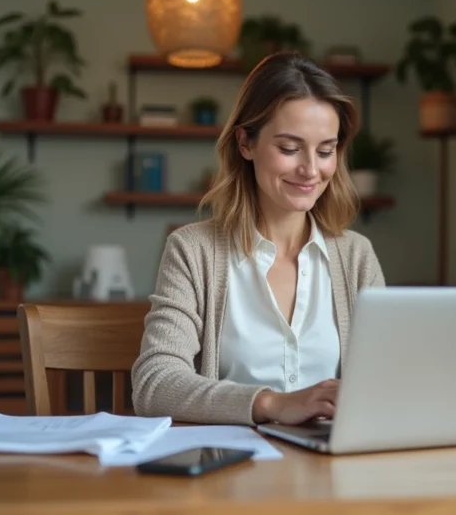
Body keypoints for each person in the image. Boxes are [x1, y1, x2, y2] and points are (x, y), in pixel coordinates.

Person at [131, 51, 386, 427]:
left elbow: (386, 381)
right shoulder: (192, 251)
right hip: (226, 472)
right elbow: (155, 384)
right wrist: (272, 404)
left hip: (331, 473)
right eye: (289, 148)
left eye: (326, 150)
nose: (311, 170)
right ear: (245, 144)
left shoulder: (356, 256)